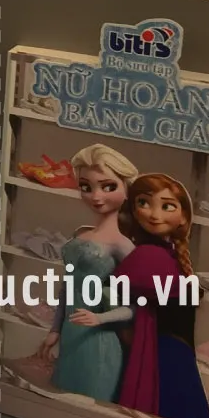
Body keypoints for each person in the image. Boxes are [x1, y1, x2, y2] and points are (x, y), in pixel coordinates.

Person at [84, 173, 209, 418]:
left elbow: (115, 289)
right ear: (134, 210)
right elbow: (116, 291)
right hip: (167, 347)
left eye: (167, 206)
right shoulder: (154, 255)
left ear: (183, 216)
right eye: (144, 203)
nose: (155, 215)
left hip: (165, 348)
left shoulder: (153, 255)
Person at [35, 143, 137, 402]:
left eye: (108, 187)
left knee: (91, 403)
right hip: (71, 336)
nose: (96, 196)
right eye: (86, 187)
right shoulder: (80, 234)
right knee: (64, 400)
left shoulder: (123, 245)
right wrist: (55, 330)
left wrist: (99, 318)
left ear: (126, 189)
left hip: (99, 339)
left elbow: (135, 306)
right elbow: (67, 288)